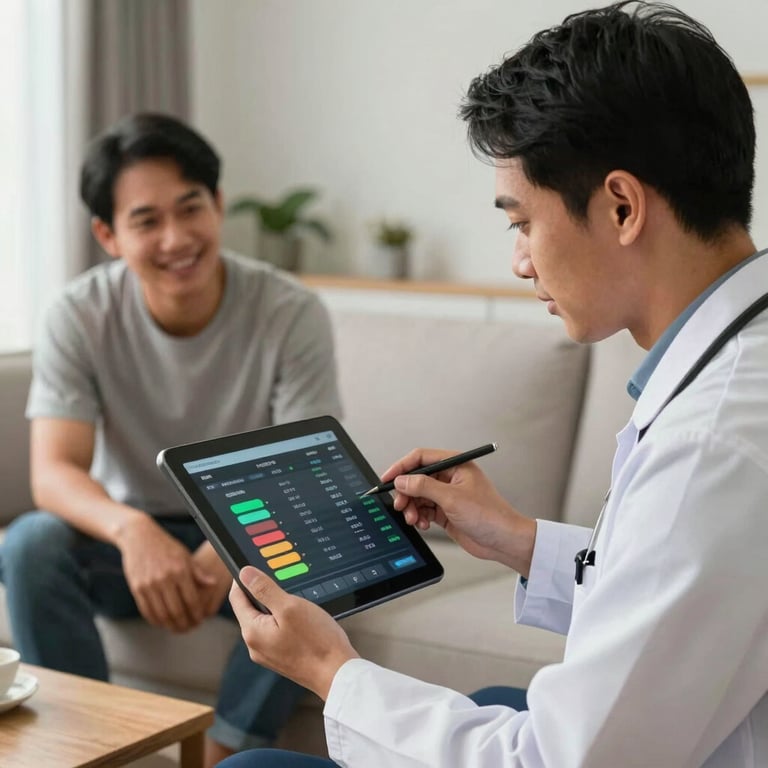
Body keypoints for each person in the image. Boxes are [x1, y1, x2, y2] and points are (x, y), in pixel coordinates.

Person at [216, 2, 768, 766]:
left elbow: (551, 761)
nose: (519, 260)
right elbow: (683, 611)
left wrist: (331, 671)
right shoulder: (741, 367)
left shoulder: (712, 450)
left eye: (521, 222)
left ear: (621, 206)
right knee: (488, 706)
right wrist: (520, 540)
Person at [0, 113, 342, 767]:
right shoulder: (79, 314)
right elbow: (55, 471)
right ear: (107, 234)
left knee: (320, 560)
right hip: (125, 540)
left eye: (191, 208)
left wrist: (229, 541)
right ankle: (93, 747)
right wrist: (131, 531)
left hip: (246, 534)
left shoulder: (290, 310)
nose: (177, 238)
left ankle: (223, 753)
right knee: (31, 543)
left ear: (217, 204)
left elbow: (302, 468)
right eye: (146, 220)